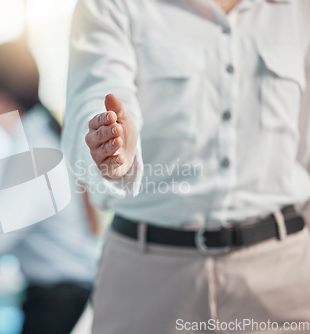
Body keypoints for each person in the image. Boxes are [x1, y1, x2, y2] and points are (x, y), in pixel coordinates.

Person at [63, 0, 310, 333]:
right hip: (146, 277)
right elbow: (92, 96)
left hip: (283, 273)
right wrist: (111, 141)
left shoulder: (298, 10)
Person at [0, 40, 98, 334]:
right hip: (58, 302)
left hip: (59, 309)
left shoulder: (34, 157)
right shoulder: (36, 143)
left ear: (0, 94)